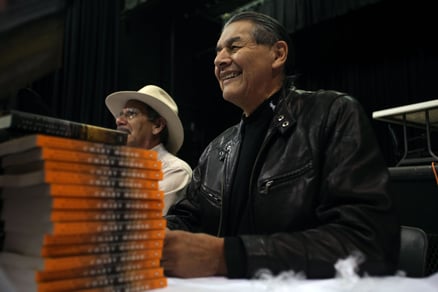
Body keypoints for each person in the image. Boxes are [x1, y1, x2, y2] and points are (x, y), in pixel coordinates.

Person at [161, 11, 400, 279]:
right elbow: (186, 218)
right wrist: (149, 237)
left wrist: (229, 256)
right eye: (217, 52)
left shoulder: (332, 115)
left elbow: (369, 242)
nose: (219, 60)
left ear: (278, 55)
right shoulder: (217, 148)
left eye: (234, 47)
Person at [105, 85, 192, 215]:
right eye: (120, 115)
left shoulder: (175, 171)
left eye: (130, 114)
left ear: (157, 125)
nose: (119, 120)